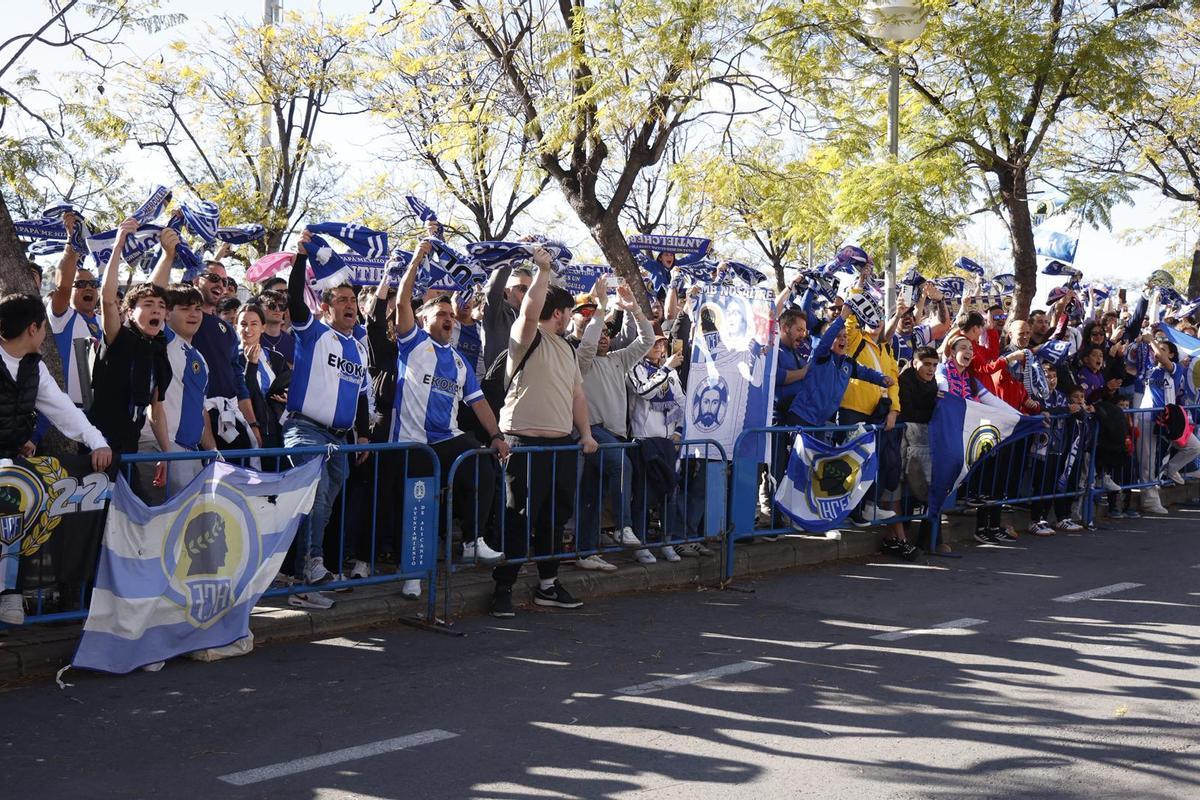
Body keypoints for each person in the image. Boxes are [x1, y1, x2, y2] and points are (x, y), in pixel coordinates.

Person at [389, 241, 509, 600]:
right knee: (419, 505)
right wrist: (416, 259)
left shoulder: (458, 361)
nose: (448, 319)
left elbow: (479, 403)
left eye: (451, 316)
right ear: (424, 319)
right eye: (441, 314)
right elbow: (400, 301)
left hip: (446, 438)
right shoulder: (412, 343)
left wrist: (497, 435)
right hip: (412, 442)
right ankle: (412, 574)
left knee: (483, 466)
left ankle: (474, 540)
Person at [489, 246, 597, 618]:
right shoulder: (527, 336)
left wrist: (585, 434)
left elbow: (577, 395)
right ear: (559, 313)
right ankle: (503, 587)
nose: (571, 319)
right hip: (523, 444)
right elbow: (530, 308)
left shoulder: (567, 349)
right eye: (570, 313)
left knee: (554, 518)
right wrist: (543, 269)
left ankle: (547, 586)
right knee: (519, 517)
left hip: (560, 447)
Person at [0, 293, 112, 625]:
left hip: (10, 468)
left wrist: (97, 442)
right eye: (44, 328)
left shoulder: (35, 367)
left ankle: (9, 595)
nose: (46, 334)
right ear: (33, 328)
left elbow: (64, 411)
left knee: (12, 528)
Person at [283, 231, 372, 610]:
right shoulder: (313, 331)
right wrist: (302, 258)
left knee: (326, 506)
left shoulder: (359, 347)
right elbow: (292, 301)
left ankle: (310, 568)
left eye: (353, 300)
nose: (350, 305)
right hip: (305, 429)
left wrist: (364, 435)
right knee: (314, 499)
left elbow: (363, 394)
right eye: (342, 300)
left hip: (341, 439)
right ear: (325, 307)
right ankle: (307, 574)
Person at [576, 274, 656, 567]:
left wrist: (634, 308)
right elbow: (586, 346)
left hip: (615, 435)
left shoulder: (618, 358)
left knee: (591, 495)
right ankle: (623, 527)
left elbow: (647, 339)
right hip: (594, 431)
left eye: (607, 332)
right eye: (598, 332)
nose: (604, 336)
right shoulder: (580, 360)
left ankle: (586, 552)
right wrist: (601, 305)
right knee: (623, 465)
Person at [87, 218, 172, 466]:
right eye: (148, 305)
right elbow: (107, 298)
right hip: (99, 449)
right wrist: (118, 245)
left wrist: (167, 455)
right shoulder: (119, 336)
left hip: (130, 449)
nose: (156, 310)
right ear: (129, 312)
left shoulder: (158, 349)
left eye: (161, 306)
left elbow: (156, 411)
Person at [148, 284, 218, 498]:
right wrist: (169, 255)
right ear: (167, 313)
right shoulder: (163, 339)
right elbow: (154, 289)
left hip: (192, 452)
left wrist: (214, 452)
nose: (194, 314)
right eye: (185, 308)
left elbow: (200, 409)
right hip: (163, 447)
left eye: (197, 308)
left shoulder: (200, 358)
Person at [44, 211, 101, 408]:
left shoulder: (104, 322)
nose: (88, 287)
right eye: (82, 283)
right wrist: (72, 242)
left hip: (100, 412)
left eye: (93, 284)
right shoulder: (63, 317)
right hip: (68, 410)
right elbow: (63, 287)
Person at [257, 289, 295, 367]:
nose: (277, 310)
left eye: (281, 307)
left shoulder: (292, 342)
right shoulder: (253, 339)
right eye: (272, 305)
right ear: (260, 308)